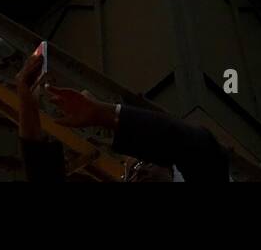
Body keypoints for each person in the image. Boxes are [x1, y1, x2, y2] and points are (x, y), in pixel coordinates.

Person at [15, 53, 230, 182]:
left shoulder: (205, 171)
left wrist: (105, 115)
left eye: (144, 163)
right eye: (131, 173)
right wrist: (27, 104)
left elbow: (198, 147)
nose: (139, 173)